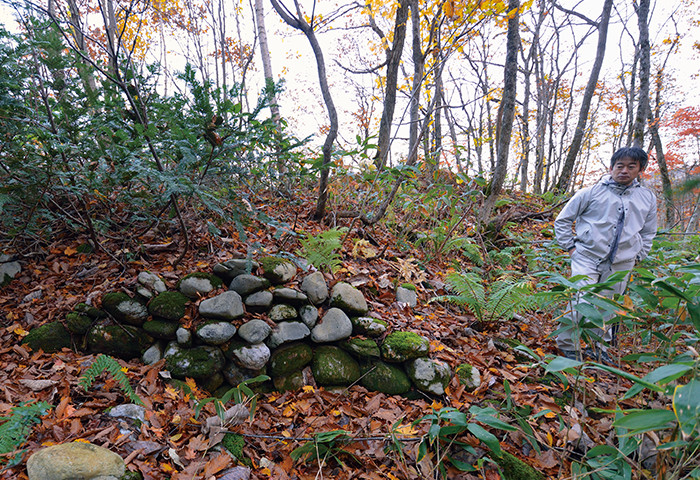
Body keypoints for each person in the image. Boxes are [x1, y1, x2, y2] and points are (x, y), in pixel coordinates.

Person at [553, 147, 658, 363]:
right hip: (587, 257)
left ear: (640, 169)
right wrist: (570, 248)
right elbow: (563, 220)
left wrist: (639, 255)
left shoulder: (647, 198)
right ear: (611, 167)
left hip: (622, 262)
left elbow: (648, 232)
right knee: (580, 300)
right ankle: (568, 346)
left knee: (608, 307)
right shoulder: (590, 192)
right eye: (620, 166)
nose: (624, 171)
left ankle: (599, 348)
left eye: (631, 166)